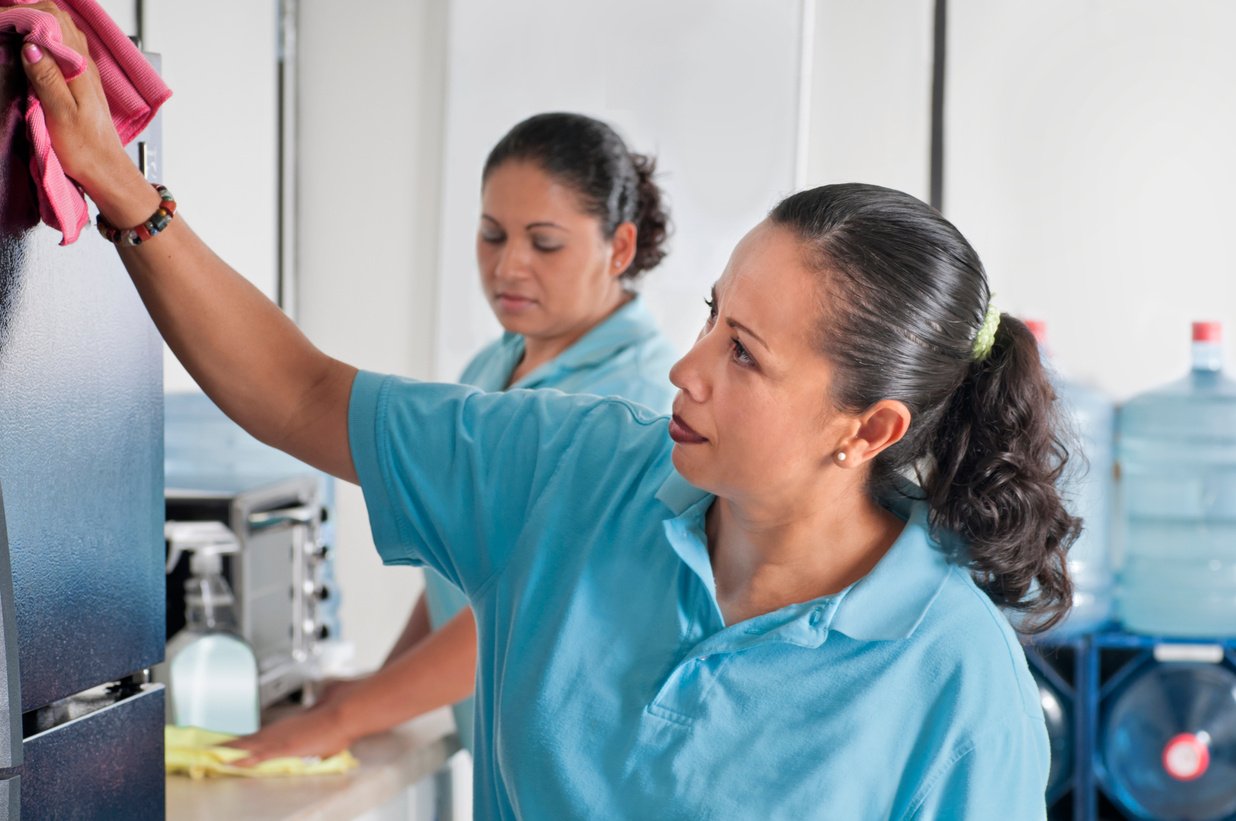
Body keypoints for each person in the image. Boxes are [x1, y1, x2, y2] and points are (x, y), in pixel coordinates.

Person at [13, 8, 1078, 818]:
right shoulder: (571, 470)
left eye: (743, 356)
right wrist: (121, 187)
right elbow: (298, 390)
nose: (686, 371)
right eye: (713, 318)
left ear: (871, 428)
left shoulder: (958, 685)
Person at [238, 111, 678, 762]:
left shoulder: (636, 398)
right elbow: (468, 561)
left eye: (544, 243)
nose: (509, 266)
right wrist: (374, 688)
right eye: (492, 235)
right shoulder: (495, 365)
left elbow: (528, 608)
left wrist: (350, 718)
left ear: (619, 248)